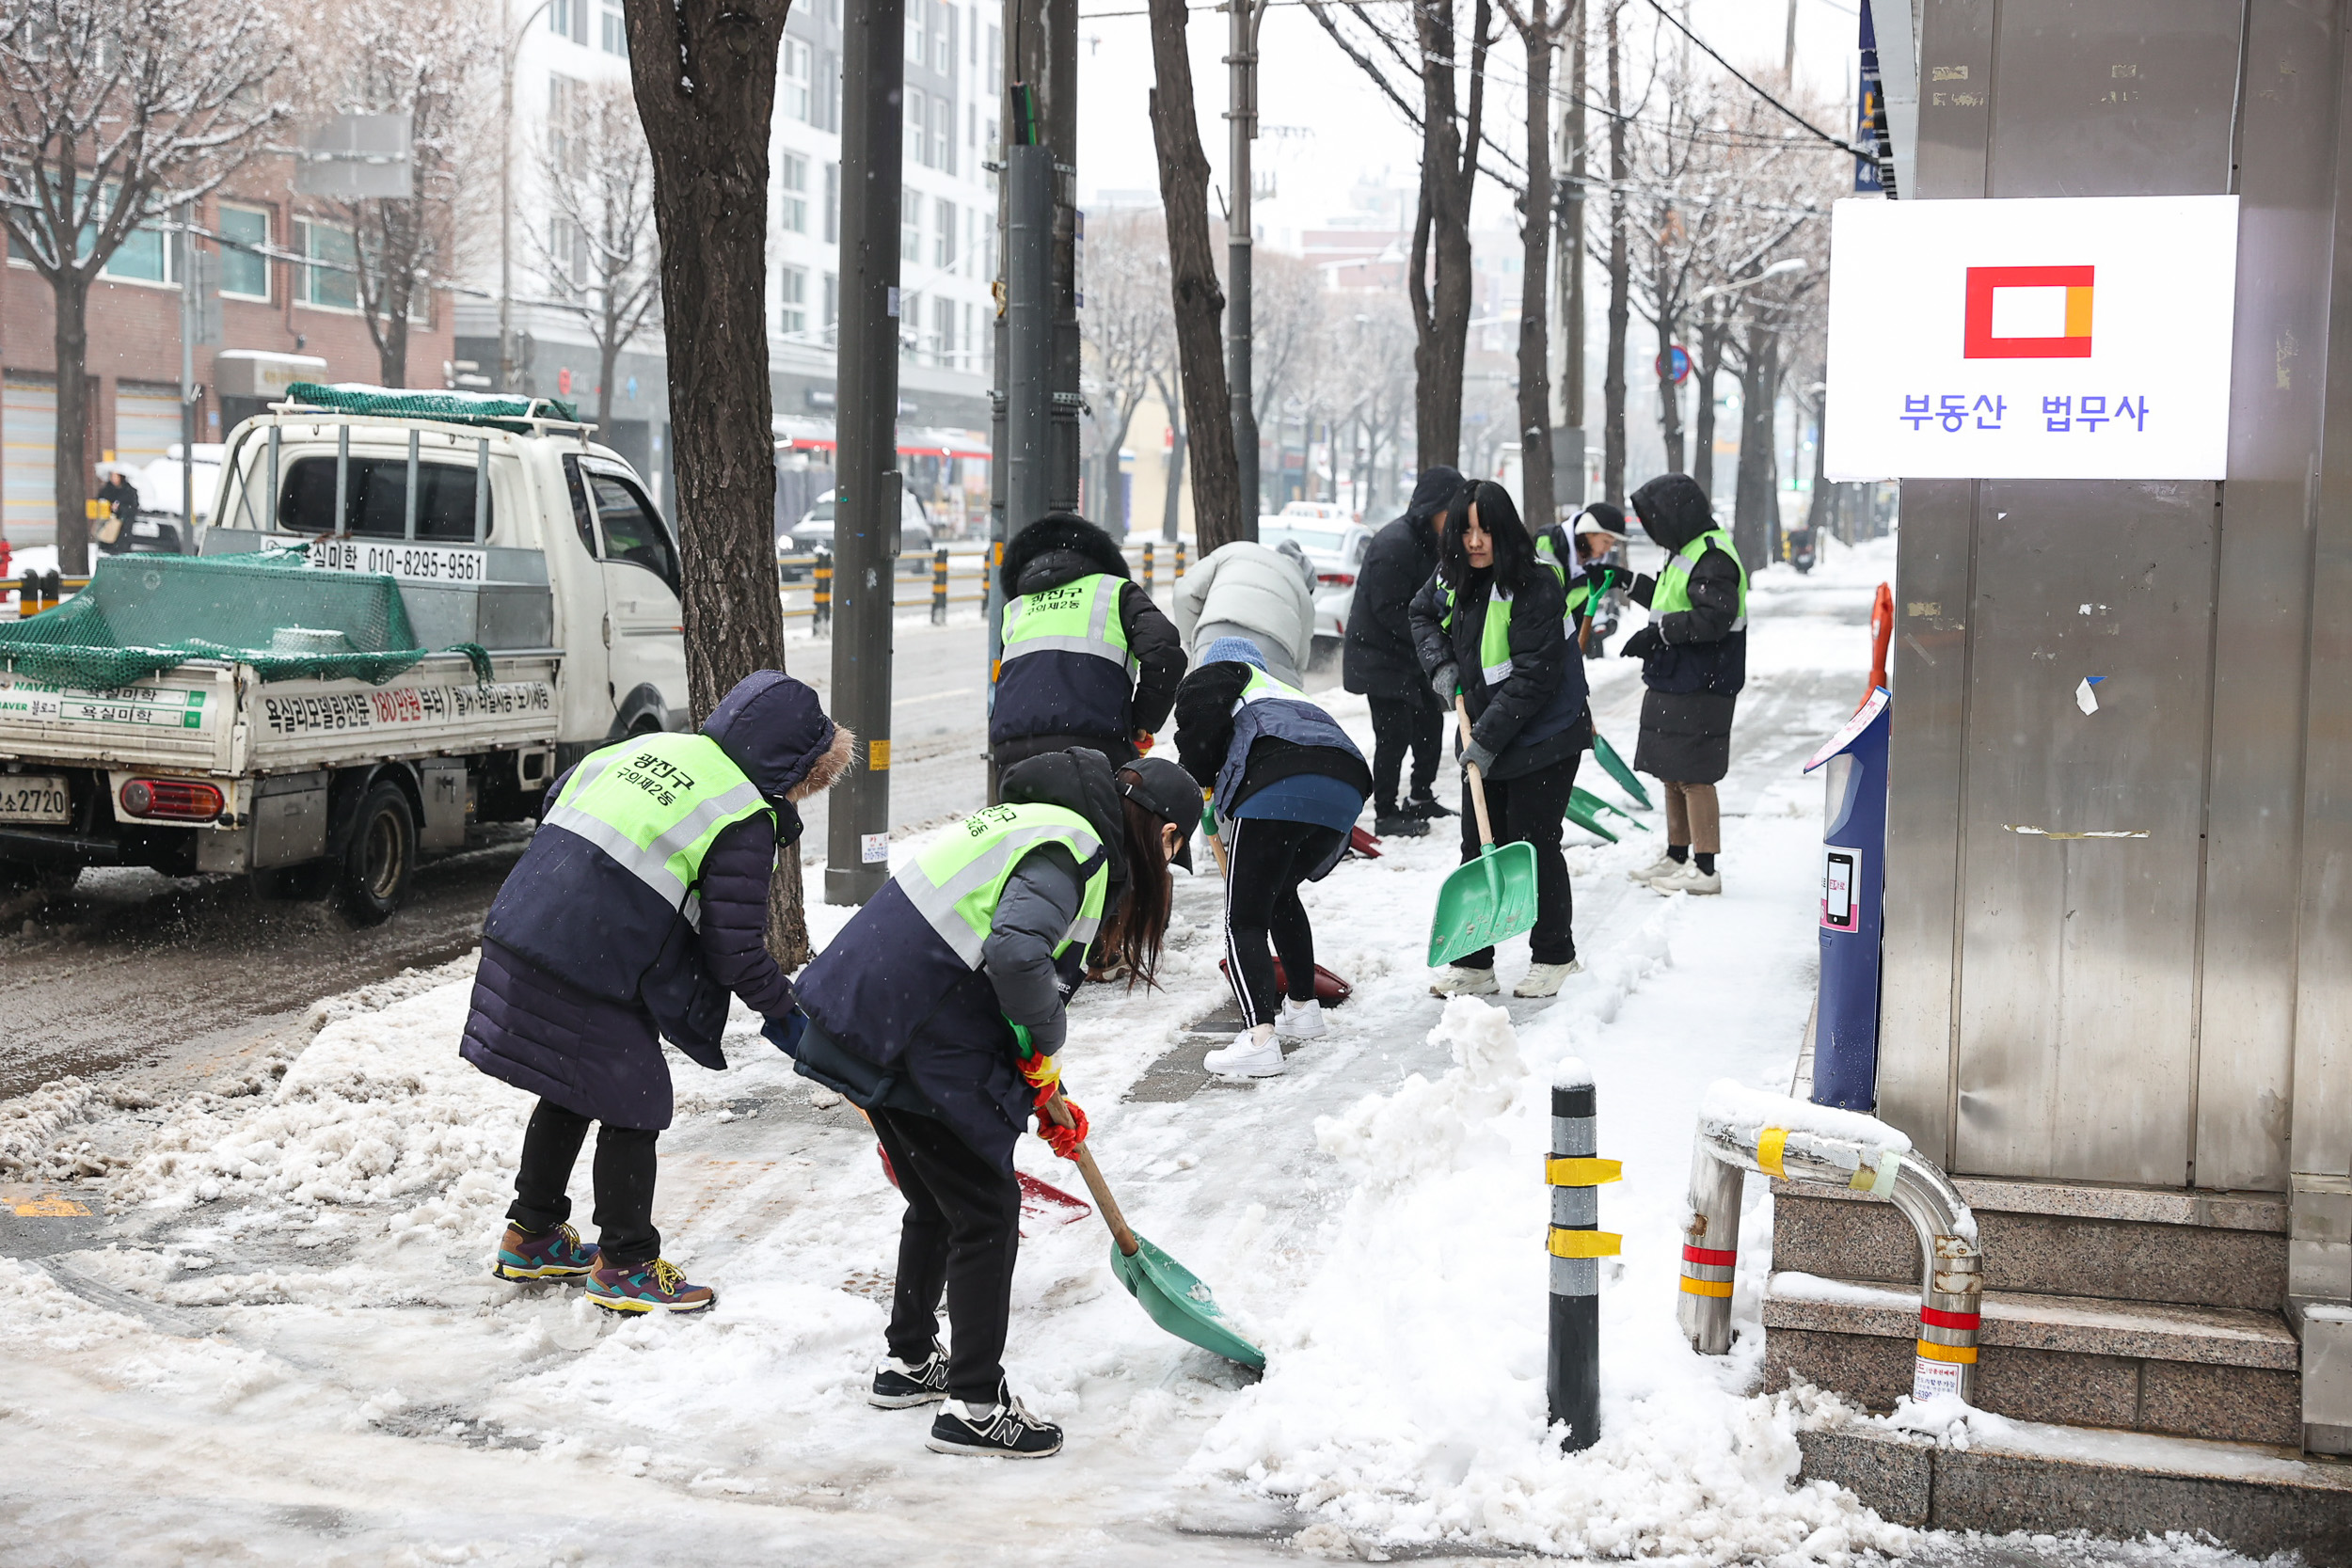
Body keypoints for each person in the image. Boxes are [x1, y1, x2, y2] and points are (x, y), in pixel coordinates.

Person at [783, 748, 1200, 1459]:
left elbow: (990, 957)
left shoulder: (1032, 821)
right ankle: (975, 1402)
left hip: (877, 1016)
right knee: (985, 1211)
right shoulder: (1072, 848)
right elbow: (1013, 956)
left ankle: (909, 1359)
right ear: (1160, 829)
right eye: (1173, 847)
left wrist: (1045, 1084)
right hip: (914, 1028)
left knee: (941, 1202)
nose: (1165, 865)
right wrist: (1047, 1043)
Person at [460, 671, 851, 1313]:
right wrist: (786, 1015)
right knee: (634, 1099)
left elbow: (558, 801)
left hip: (524, 924)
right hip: (589, 957)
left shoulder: (650, 748)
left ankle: (531, 1234)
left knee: (571, 1085)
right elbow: (735, 950)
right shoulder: (743, 814)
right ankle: (627, 1263)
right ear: (795, 765)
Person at [1410, 480, 1593, 999]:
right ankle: (1474, 964)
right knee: (1478, 844)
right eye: (1465, 530)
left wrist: (1486, 740)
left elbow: (1534, 676)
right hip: (1487, 728)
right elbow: (1421, 614)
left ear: (1503, 529)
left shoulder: (1535, 584)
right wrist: (1441, 665)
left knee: (1534, 842)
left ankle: (1555, 954)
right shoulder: (1452, 575)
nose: (1473, 541)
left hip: (1546, 732)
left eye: (1484, 529)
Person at [1173, 637, 1372, 1078]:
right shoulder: (1284, 691)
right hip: (1346, 786)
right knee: (1279, 893)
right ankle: (1303, 1008)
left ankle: (1258, 1039)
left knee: (1242, 918)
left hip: (1277, 784)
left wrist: (1200, 780)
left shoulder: (1224, 673)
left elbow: (1198, 725)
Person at [1617, 472, 1747, 896]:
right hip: (1676, 676)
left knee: (1694, 775)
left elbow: (1714, 617)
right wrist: (1629, 583)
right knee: (1671, 773)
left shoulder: (1713, 555)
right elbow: (1673, 601)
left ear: (1678, 514)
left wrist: (1658, 634)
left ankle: (1705, 868)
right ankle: (1677, 856)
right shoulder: (1687, 552)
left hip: (1703, 681)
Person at [991, 511, 1185, 769]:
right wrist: (1141, 722)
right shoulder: (1116, 593)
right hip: (1095, 744)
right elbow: (1164, 653)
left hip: (1013, 748)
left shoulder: (1016, 608)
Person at [1343, 466, 1463, 836]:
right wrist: (1434, 635)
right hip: (1378, 657)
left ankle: (1421, 797)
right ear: (1432, 509)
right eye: (1452, 512)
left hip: (1410, 657)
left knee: (1430, 722)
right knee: (1393, 736)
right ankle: (1386, 811)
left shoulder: (1432, 540)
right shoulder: (1395, 543)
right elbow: (1389, 609)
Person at [1171, 536, 1318, 686]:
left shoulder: (1233, 550)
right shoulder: (1302, 589)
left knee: (1203, 703)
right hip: (1273, 650)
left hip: (1212, 637)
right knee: (1272, 707)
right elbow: (1300, 658)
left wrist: (1192, 640)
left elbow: (1184, 593)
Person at [1564, 504, 1632, 656]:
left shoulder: (1593, 563)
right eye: (1606, 541)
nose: (1607, 549)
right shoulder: (1551, 544)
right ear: (1588, 532)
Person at [94, 467, 141, 555]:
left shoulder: (130, 491)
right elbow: (100, 500)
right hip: (108, 525)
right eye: (112, 476)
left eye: (116, 476)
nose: (113, 479)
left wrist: (120, 508)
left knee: (120, 550)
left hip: (123, 528)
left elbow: (133, 508)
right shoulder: (107, 489)